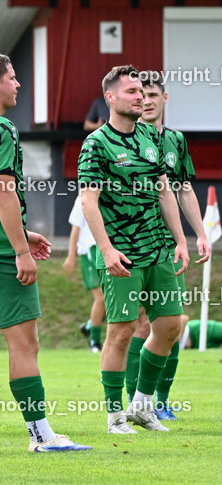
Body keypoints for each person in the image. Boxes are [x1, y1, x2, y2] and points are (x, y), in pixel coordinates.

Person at [0, 52, 90, 454]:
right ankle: (42, 437)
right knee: (24, 345)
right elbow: (3, 191)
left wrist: (19, 232)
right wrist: (20, 250)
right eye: (12, 78)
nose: (18, 84)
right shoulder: (0, 128)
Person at [78, 64, 190, 435]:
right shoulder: (96, 143)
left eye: (142, 92)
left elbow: (164, 190)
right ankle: (114, 417)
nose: (140, 97)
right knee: (122, 331)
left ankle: (141, 405)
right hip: (121, 252)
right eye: (132, 92)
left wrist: (179, 239)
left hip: (157, 249)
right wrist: (106, 250)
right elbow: (89, 201)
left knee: (170, 325)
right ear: (110, 97)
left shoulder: (150, 136)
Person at [134, 74, 211, 419]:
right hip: (132, 244)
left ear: (165, 98)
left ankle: (158, 401)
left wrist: (200, 234)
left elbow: (183, 190)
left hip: (169, 247)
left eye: (152, 94)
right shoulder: (125, 138)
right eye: (140, 94)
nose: (146, 100)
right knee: (136, 327)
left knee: (173, 322)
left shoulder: (176, 141)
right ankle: (131, 401)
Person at [63, 196, 105, 352]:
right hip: (90, 251)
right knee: (100, 297)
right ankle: (94, 342)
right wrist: (71, 256)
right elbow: (76, 228)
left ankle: (89, 326)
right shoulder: (84, 197)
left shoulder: (113, 192)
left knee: (111, 298)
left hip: (108, 249)